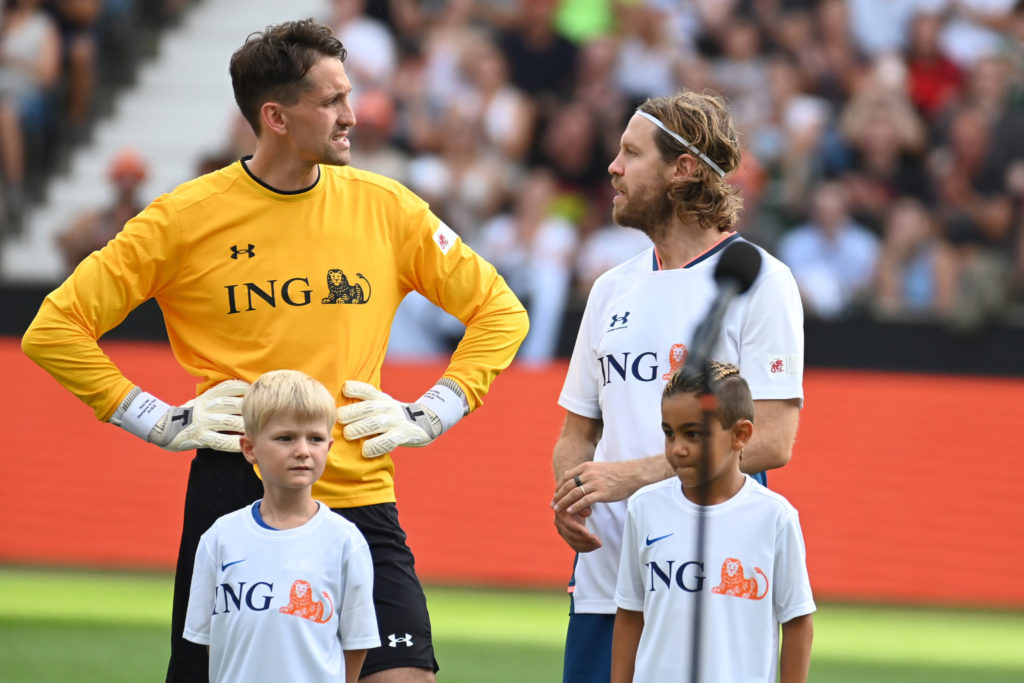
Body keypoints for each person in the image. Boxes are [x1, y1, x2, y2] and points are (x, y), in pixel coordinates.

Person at [21, 18, 528, 683]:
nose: (353, 115)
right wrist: (156, 418)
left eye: (350, 96)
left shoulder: (387, 208)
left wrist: (434, 410)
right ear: (276, 117)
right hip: (236, 496)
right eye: (332, 101)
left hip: (357, 490)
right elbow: (54, 328)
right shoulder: (183, 219)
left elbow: (501, 312)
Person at [550, 90, 804, 683]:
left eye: (631, 153)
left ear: (682, 168)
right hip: (606, 578)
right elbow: (578, 431)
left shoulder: (762, 281)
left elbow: (772, 440)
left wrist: (632, 477)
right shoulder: (610, 289)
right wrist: (572, 492)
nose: (613, 167)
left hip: (705, 579)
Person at [611, 361, 815, 683]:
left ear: (740, 435)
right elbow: (629, 615)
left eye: (693, 434)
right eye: (669, 433)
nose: (677, 449)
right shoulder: (644, 508)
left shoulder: (775, 517)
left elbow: (797, 622)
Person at [184, 369, 380, 683]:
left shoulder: (345, 541)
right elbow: (210, 639)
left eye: (315, 438)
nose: (303, 450)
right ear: (249, 448)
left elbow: (357, 642)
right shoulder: (219, 538)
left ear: (329, 448)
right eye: (285, 438)